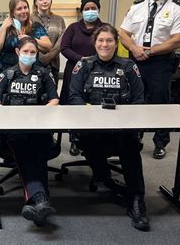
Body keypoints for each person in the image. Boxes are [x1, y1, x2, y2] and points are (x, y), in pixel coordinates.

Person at [68, 24, 149, 231]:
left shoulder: (129, 67)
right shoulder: (84, 65)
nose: (105, 44)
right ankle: (107, 180)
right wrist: (91, 117)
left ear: (116, 43)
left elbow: (139, 99)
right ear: (94, 43)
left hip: (122, 129)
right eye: (101, 40)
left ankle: (137, 200)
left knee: (130, 149)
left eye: (109, 40)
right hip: (92, 129)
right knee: (90, 142)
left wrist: (124, 121)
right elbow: (74, 97)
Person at [119, 0, 180, 159]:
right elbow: (124, 33)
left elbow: (178, 39)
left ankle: (160, 142)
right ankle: (134, 136)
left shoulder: (178, 9)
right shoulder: (137, 7)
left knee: (160, 101)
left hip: (160, 62)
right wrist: (134, 48)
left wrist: (151, 51)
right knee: (134, 98)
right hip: (135, 58)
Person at [0, 36, 59, 227]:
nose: (29, 55)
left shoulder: (44, 74)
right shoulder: (7, 74)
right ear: (17, 52)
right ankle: (42, 198)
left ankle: (36, 204)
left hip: (38, 129)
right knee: (30, 156)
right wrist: (8, 116)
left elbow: (54, 100)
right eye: (26, 51)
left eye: (33, 52)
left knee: (37, 154)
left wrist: (41, 114)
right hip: (13, 132)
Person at [60, 0, 106, 156]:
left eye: (93, 8)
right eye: (87, 8)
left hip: (99, 72)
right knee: (74, 105)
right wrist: (81, 59)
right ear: (82, 10)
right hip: (74, 71)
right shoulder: (73, 28)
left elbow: (109, 47)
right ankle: (74, 139)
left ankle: (95, 140)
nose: (90, 11)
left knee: (93, 104)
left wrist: (93, 61)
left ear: (99, 9)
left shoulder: (105, 28)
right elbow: (64, 48)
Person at [0, 0, 52, 78]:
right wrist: (4, 27)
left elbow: (48, 46)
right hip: (7, 73)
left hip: (31, 75)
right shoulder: (2, 27)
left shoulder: (36, 27)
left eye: (25, 8)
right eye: (19, 9)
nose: (23, 11)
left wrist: (31, 39)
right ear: (12, 12)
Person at [31, 0, 66, 85]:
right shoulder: (30, 19)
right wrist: (41, 58)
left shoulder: (59, 20)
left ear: (51, 1)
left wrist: (49, 56)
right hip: (34, 63)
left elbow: (61, 41)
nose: (44, 1)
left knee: (51, 94)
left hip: (53, 63)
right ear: (36, 2)